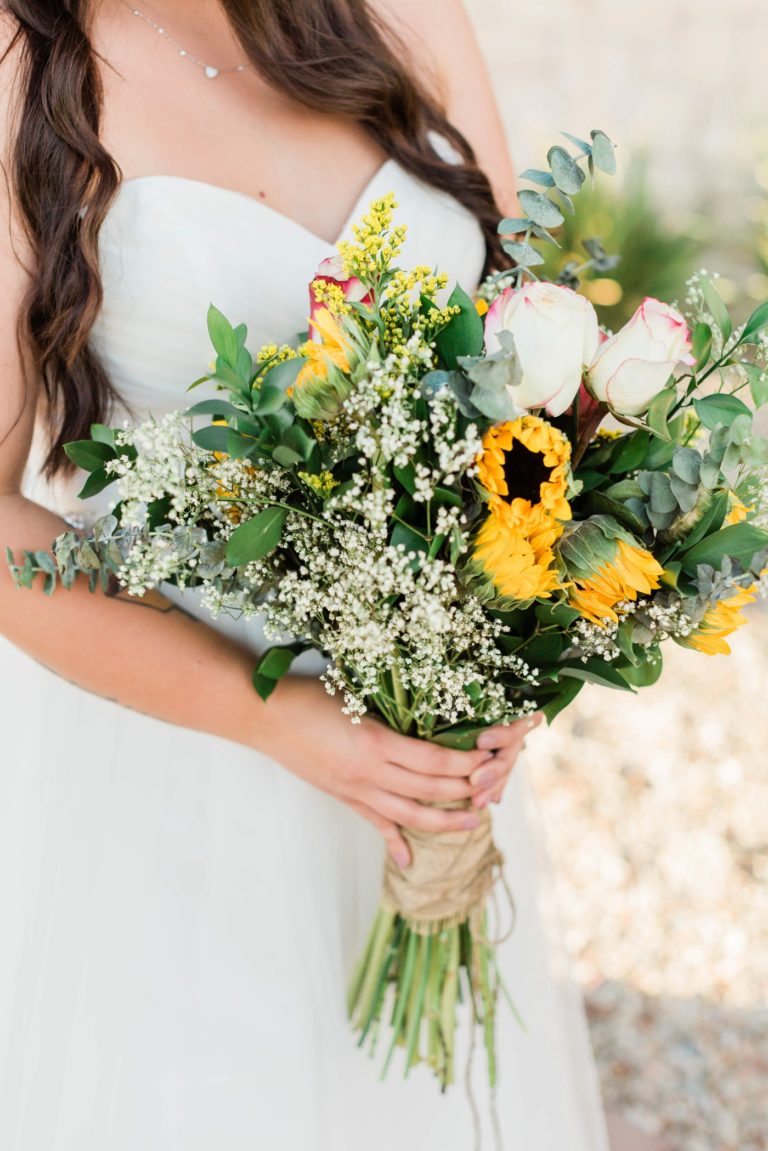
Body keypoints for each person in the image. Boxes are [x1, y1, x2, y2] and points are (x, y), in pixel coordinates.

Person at [0, 2, 663, 1148]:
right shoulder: (28, 57)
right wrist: (281, 722)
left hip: (430, 737)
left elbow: (528, 370)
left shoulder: (409, 13)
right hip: (185, 759)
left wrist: (509, 651)